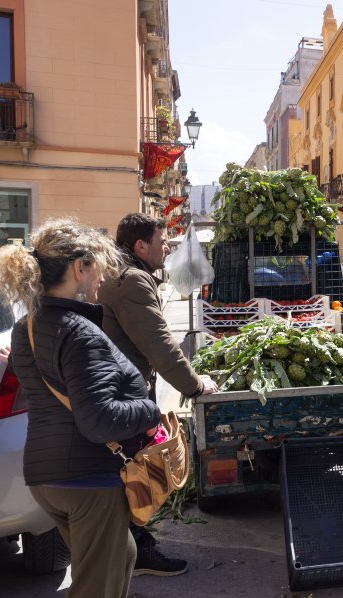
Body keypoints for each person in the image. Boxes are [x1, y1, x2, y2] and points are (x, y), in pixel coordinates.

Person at [0, 218, 161, 598]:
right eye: (98, 263)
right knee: (96, 587)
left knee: (122, 554)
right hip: (88, 481)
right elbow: (99, 421)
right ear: (78, 268)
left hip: (46, 478)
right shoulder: (79, 331)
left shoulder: (28, 327)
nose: (104, 273)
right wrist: (150, 412)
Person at [97, 213, 217, 577]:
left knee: (121, 472)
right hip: (124, 393)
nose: (167, 247)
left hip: (111, 390)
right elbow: (160, 346)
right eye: (162, 241)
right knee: (133, 471)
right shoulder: (131, 280)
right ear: (140, 246)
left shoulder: (116, 273)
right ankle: (139, 554)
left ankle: (127, 548)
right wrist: (196, 385)